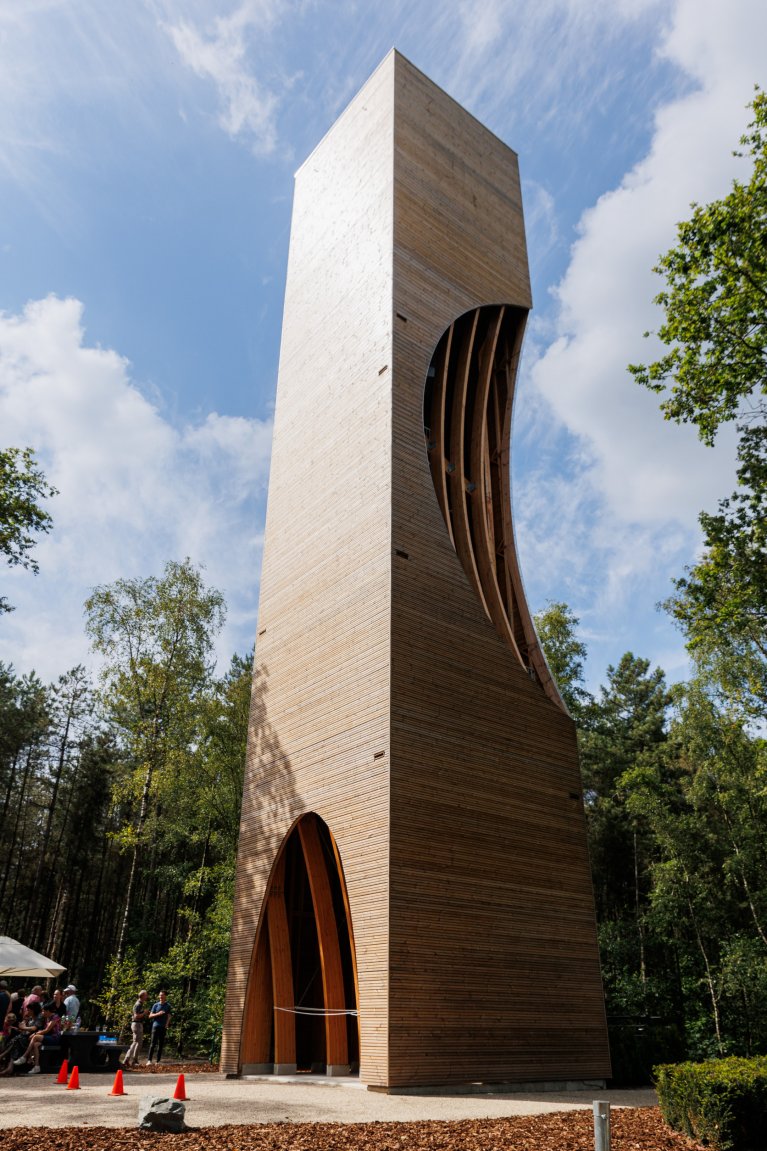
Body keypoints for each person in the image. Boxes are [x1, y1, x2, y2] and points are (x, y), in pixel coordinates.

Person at [14, 1001, 61, 1074]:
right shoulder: (47, 1017)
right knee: (35, 1044)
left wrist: (35, 1033)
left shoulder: (55, 1017)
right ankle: (36, 1066)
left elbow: (46, 1030)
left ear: (48, 1011)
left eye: (43, 1011)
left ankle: (24, 1057)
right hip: (48, 1037)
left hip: (54, 1038)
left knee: (35, 1037)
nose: (42, 1013)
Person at [122, 989, 149, 1068]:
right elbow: (136, 1016)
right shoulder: (138, 1004)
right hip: (136, 1024)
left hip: (138, 1024)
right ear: (143, 996)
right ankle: (128, 1060)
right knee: (136, 1042)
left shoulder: (140, 1004)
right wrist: (145, 1012)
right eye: (146, 995)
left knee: (138, 1043)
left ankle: (133, 1060)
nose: (147, 996)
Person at [146, 990, 171, 1064]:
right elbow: (150, 1016)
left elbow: (169, 1016)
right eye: (160, 995)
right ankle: (149, 1060)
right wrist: (158, 1014)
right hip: (155, 1026)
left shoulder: (168, 1006)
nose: (161, 996)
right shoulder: (155, 1005)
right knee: (152, 1044)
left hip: (163, 1027)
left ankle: (158, 1061)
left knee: (160, 1044)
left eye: (162, 995)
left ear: (165, 996)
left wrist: (167, 1024)